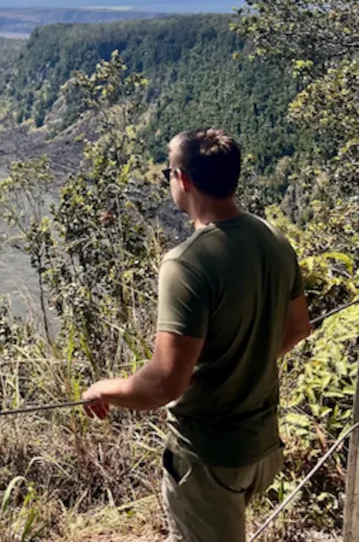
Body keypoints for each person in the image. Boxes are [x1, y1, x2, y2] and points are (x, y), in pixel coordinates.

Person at [81, 128, 312, 542]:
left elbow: (165, 383)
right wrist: (245, 362)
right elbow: (298, 327)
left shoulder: (186, 264)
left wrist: (104, 390)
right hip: (261, 447)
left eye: (168, 172)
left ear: (183, 179)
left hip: (209, 456)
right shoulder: (274, 239)